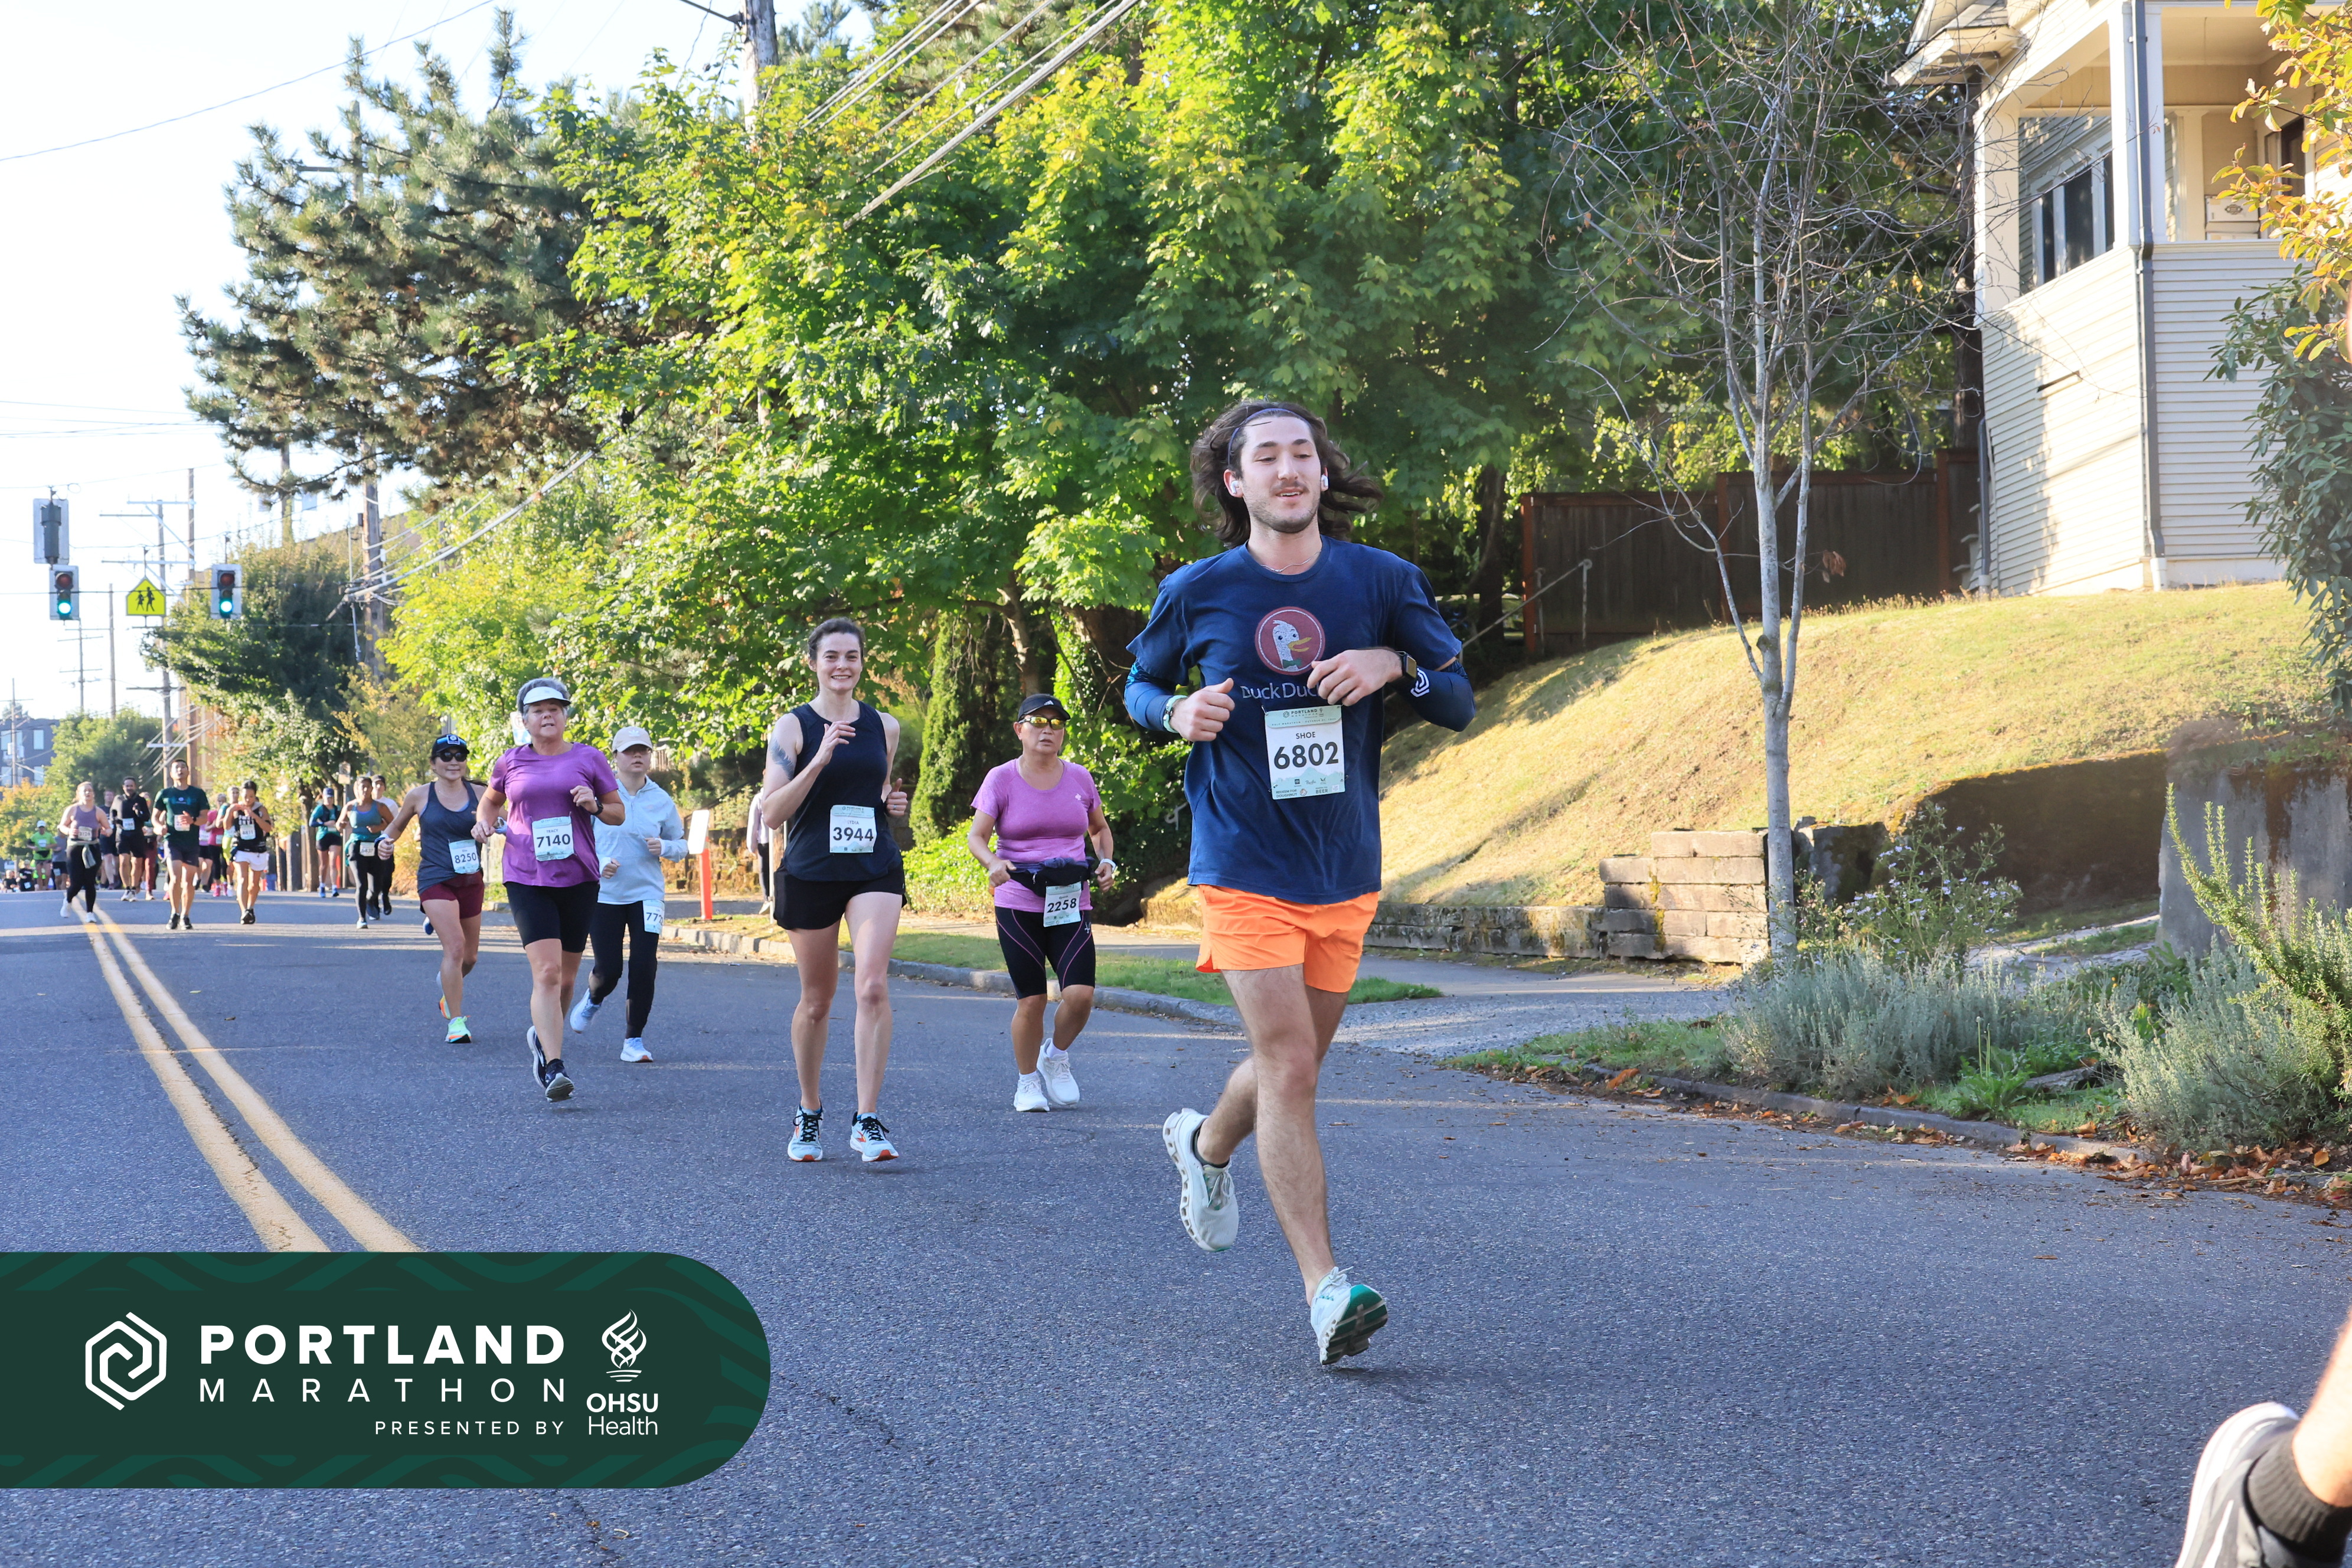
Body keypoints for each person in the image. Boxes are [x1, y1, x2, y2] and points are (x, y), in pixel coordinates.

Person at [1125, 400, 1475, 1365]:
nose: (1287, 469)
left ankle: (1205, 1145)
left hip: (1341, 866)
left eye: (1301, 454)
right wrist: (1173, 713)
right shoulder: (1199, 590)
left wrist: (1393, 663)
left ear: (1323, 474)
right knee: (1286, 1065)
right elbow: (1138, 687)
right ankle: (1327, 1290)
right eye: (1265, 457)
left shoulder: (1379, 580)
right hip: (1241, 861)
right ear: (1234, 482)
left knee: (1294, 1066)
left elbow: (1454, 700)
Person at [759, 618, 912, 1164]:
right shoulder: (793, 727)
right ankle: (809, 1109)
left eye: (852, 656)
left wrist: (891, 805)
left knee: (871, 986)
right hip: (811, 872)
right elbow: (772, 812)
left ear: (862, 662)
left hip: (873, 867)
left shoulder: (883, 725)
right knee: (817, 1001)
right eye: (832, 656)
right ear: (814, 663)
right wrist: (818, 761)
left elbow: (876, 791)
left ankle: (867, 1120)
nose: (842, 665)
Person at [965, 693, 1118, 1113]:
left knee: (1081, 995)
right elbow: (977, 836)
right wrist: (993, 862)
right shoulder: (1001, 778)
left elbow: (1099, 829)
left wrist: (1106, 861)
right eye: (1038, 721)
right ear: (1020, 730)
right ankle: (1027, 1081)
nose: (1048, 730)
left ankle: (1055, 1057)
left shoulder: (1080, 777)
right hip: (1019, 900)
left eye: (1056, 723)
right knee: (1032, 1000)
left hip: (1070, 899)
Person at [474, 677, 624, 1101]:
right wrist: (483, 822)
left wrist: (595, 805)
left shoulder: (589, 757)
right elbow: (490, 801)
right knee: (547, 972)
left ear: (565, 716)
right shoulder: (510, 761)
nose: (547, 716)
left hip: (579, 876)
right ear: (525, 720)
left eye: (555, 709)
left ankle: (542, 1037)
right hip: (526, 875)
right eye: (538, 710)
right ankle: (554, 1066)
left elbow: (617, 813)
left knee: (568, 978)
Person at [569, 726, 688, 1063]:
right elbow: (579, 842)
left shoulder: (661, 799)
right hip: (605, 894)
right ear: (616, 757)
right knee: (609, 970)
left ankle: (633, 1040)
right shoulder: (599, 797)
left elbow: (682, 844)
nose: (637, 756)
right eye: (629, 751)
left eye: (643, 750)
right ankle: (594, 998)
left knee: (644, 966)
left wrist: (666, 847)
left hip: (648, 894)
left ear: (650, 756)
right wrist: (600, 862)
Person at [382, 737, 487, 1045]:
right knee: (455, 948)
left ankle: (448, 986)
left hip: (470, 880)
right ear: (433, 763)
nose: (454, 761)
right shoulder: (419, 795)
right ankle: (457, 1022)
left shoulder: (481, 794)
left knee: (470, 958)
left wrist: (497, 827)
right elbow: (397, 826)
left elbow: (509, 822)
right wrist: (384, 842)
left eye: (460, 755)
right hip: (435, 879)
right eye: (446, 756)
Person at [155, 758, 211, 932]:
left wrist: (192, 820)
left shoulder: (197, 794)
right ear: (171, 773)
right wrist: (159, 827)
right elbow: (155, 817)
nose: (180, 770)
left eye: (183, 767)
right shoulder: (165, 794)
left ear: (188, 771)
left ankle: (185, 916)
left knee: (189, 881)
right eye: (176, 768)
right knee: (176, 875)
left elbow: (204, 818)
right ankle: (174, 912)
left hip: (191, 842)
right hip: (173, 840)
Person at [342, 776, 395, 927]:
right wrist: (341, 825)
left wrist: (380, 827)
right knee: (361, 884)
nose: (365, 790)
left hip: (375, 847)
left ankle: (370, 900)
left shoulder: (380, 807)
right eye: (362, 787)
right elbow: (340, 824)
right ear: (357, 789)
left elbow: (393, 824)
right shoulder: (350, 807)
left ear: (372, 789)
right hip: (356, 846)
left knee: (376, 887)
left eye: (368, 787)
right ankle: (362, 918)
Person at [220, 783, 274, 925]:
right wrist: (230, 811)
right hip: (240, 848)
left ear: (255, 796)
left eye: (251, 796)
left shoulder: (261, 809)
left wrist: (254, 816)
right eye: (245, 796)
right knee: (242, 879)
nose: (248, 799)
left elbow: (268, 828)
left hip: (257, 849)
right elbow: (227, 827)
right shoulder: (236, 809)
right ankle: (244, 911)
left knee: (254, 884)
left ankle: (250, 908)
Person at [56, 782, 105, 920]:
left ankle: (90, 913)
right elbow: (62, 826)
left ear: (93, 794)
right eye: (85, 791)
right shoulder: (72, 810)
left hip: (92, 847)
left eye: (90, 791)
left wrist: (106, 831)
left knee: (90, 881)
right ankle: (68, 901)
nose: (88, 793)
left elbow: (108, 828)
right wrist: (69, 831)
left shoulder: (98, 811)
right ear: (79, 794)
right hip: (75, 848)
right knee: (77, 882)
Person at [114, 776, 154, 901]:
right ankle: (127, 888)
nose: (129, 788)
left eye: (131, 786)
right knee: (124, 861)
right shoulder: (119, 799)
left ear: (135, 787)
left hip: (137, 834)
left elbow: (146, 817)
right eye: (127, 786)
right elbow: (113, 814)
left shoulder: (140, 800)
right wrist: (117, 821)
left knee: (137, 862)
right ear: (123, 787)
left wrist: (138, 812)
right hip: (123, 834)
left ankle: (134, 888)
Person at [309, 787, 345, 899]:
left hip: (335, 836)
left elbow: (344, 820)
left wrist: (341, 825)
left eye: (331, 798)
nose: (329, 800)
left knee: (333, 862)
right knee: (324, 864)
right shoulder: (320, 809)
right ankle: (322, 886)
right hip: (323, 836)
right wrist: (324, 824)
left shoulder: (338, 809)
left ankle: (334, 887)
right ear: (324, 797)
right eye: (328, 798)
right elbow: (312, 823)